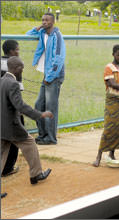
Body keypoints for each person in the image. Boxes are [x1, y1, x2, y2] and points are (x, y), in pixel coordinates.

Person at [1, 56, 53, 184]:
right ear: (16, 69)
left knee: (1, 155)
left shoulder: (2, 80)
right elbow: (20, 106)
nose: (22, 71)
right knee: (30, 143)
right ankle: (36, 174)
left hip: (2, 125)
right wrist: (40, 115)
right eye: (22, 68)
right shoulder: (13, 83)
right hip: (12, 126)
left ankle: (36, 174)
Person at [26, 12, 66, 145]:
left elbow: (59, 58)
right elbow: (27, 35)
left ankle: (51, 138)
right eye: (42, 20)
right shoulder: (43, 33)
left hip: (54, 76)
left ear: (53, 22)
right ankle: (42, 135)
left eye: (47, 20)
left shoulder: (57, 36)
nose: (44, 22)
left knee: (50, 108)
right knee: (39, 105)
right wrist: (37, 28)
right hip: (46, 75)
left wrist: (50, 76)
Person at [93, 45, 119, 167]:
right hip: (112, 101)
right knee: (109, 127)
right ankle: (99, 156)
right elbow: (112, 84)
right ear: (113, 54)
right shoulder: (109, 68)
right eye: (118, 55)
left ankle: (112, 153)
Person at [1, 40, 24, 177]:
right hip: (11, 108)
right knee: (16, 137)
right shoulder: (15, 65)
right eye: (17, 49)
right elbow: (18, 90)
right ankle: (8, 168)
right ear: (11, 52)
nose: (18, 52)